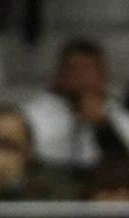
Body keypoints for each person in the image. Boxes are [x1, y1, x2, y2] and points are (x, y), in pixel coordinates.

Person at [22, 37, 129, 175]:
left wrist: (103, 127)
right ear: (60, 76)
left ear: (104, 76)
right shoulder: (30, 116)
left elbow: (123, 166)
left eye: (90, 70)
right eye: (75, 70)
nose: (83, 78)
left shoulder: (120, 117)